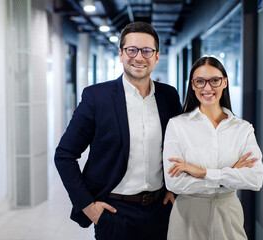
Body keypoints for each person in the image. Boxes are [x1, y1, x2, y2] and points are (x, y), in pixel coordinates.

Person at [55, 21, 182, 240]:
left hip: (160, 210)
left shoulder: (168, 96)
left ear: (157, 56)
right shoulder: (97, 97)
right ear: (121, 54)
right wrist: (87, 205)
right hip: (114, 213)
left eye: (147, 51)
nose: (139, 57)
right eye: (131, 50)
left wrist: (174, 190)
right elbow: (65, 155)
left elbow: (181, 147)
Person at [163, 56, 263, 240]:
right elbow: (174, 183)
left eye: (215, 80)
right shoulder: (177, 126)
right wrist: (230, 174)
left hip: (229, 215)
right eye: (200, 81)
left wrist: (201, 172)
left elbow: (255, 179)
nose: (207, 88)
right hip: (188, 215)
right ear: (192, 85)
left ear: (225, 82)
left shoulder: (243, 129)